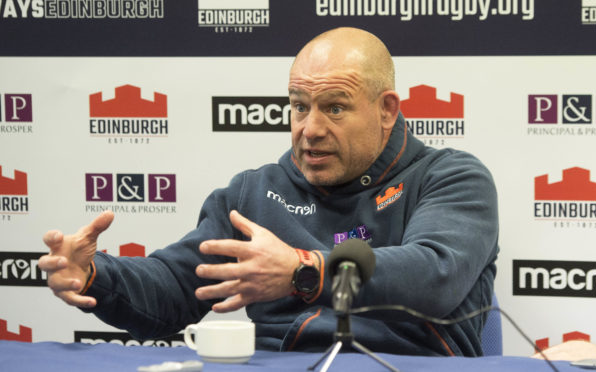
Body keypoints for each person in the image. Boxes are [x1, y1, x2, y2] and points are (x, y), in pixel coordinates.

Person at [39, 27, 499, 357]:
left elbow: (435, 274)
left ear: (386, 110)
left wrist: (305, 272)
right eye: (299, 107)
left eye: (334, 108)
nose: (310, 129)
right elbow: (176, 286)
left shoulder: (452, 177)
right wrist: (98, 276)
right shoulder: (255, 192)